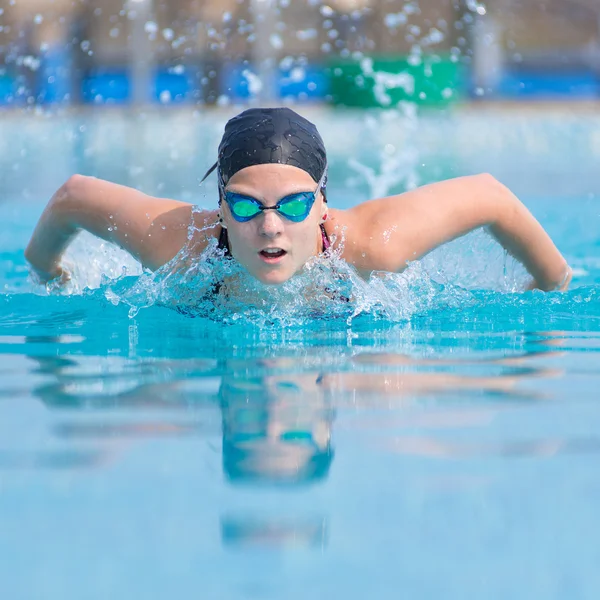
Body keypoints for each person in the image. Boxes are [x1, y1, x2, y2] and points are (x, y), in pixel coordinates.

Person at [24, 107, 572, 293]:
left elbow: (492, 196)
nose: (270, 228)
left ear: (323, 207)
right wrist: (53, 276)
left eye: (292, 206)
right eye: (244, 206)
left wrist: (549, 286)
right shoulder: (182, 245)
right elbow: (73, 196)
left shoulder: (375, 247)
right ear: (220, 210)